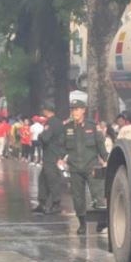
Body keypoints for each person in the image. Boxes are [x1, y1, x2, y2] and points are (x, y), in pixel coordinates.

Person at [62, 98, 108, 235]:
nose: (74, 112)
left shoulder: (92, 126)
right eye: (72, 110)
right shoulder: (67, 128)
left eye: (76, 109)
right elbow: (63, 147)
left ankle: (102, 221)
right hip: (75, 167)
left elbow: (100, 145)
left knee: (98, 195)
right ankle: (82, 223)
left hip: (91, 166)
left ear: (83, 110)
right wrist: (59, 159)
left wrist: (105, 160)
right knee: (78, 197)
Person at [34, 106, 63, 214]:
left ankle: (56, 203)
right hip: (54, 152)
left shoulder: (50, 123)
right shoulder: (58, 122)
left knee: (52, 179)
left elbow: (45, 138)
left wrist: (40, 136)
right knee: (43, 179)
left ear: (46, 110)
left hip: (51, 154)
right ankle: (42, 202)